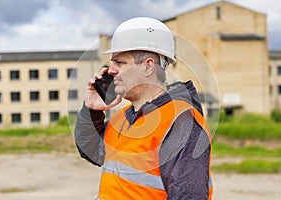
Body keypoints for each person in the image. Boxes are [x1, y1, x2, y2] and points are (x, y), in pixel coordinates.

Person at [74, 17, 213, 200]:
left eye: (119, 63)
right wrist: (92, 110)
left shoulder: (181, 122)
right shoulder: (124, 117)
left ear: (148, 66)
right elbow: (91, 150)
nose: (111, 70)